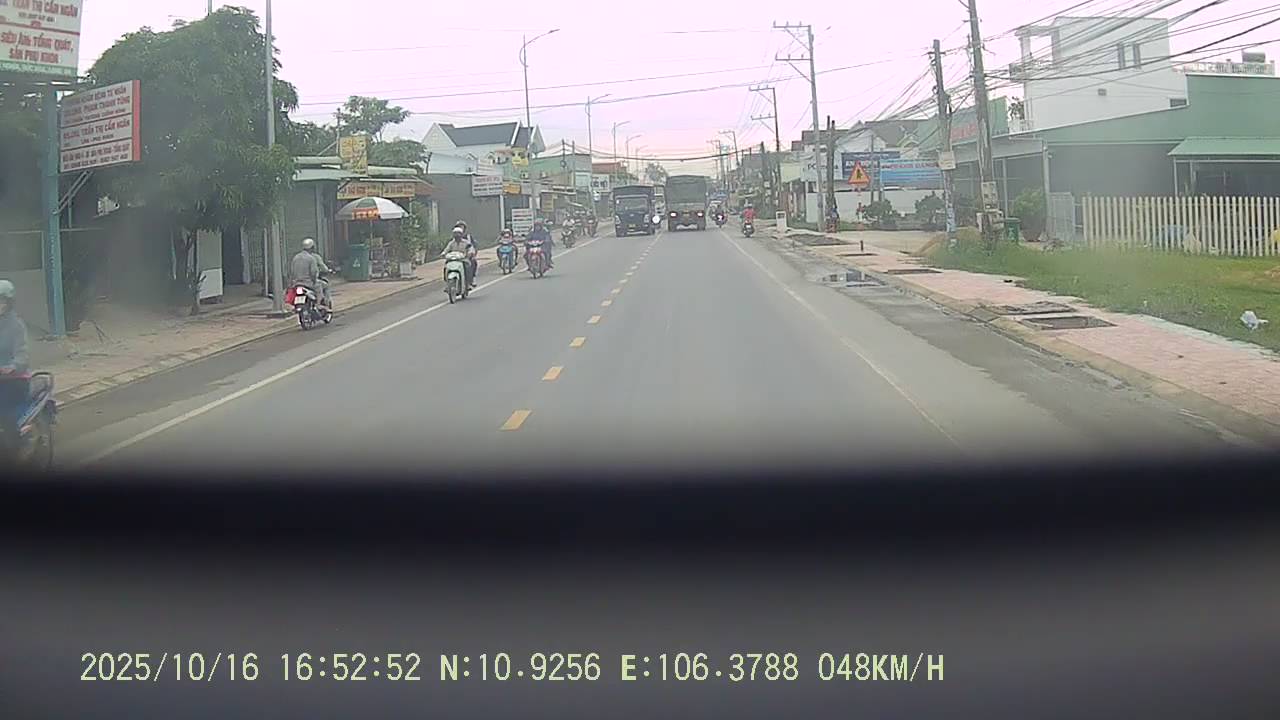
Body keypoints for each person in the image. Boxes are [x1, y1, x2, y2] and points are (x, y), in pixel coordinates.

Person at [0, 280, 31, 441]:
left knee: (4, 412)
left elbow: (22, 353)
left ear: (9, 303)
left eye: (1, 300)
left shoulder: (16, 325)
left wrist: (13, 366)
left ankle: (14, 440)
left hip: (13, 379)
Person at [289, 238, 333, 310]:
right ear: (312, 248)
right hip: (308, 283)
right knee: (323, 286)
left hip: (297, 283)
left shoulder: (295, 257)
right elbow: (314, 272)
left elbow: (292, 272)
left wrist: (291, 283)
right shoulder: (311, 258)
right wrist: (314, 280)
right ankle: (319, 304)